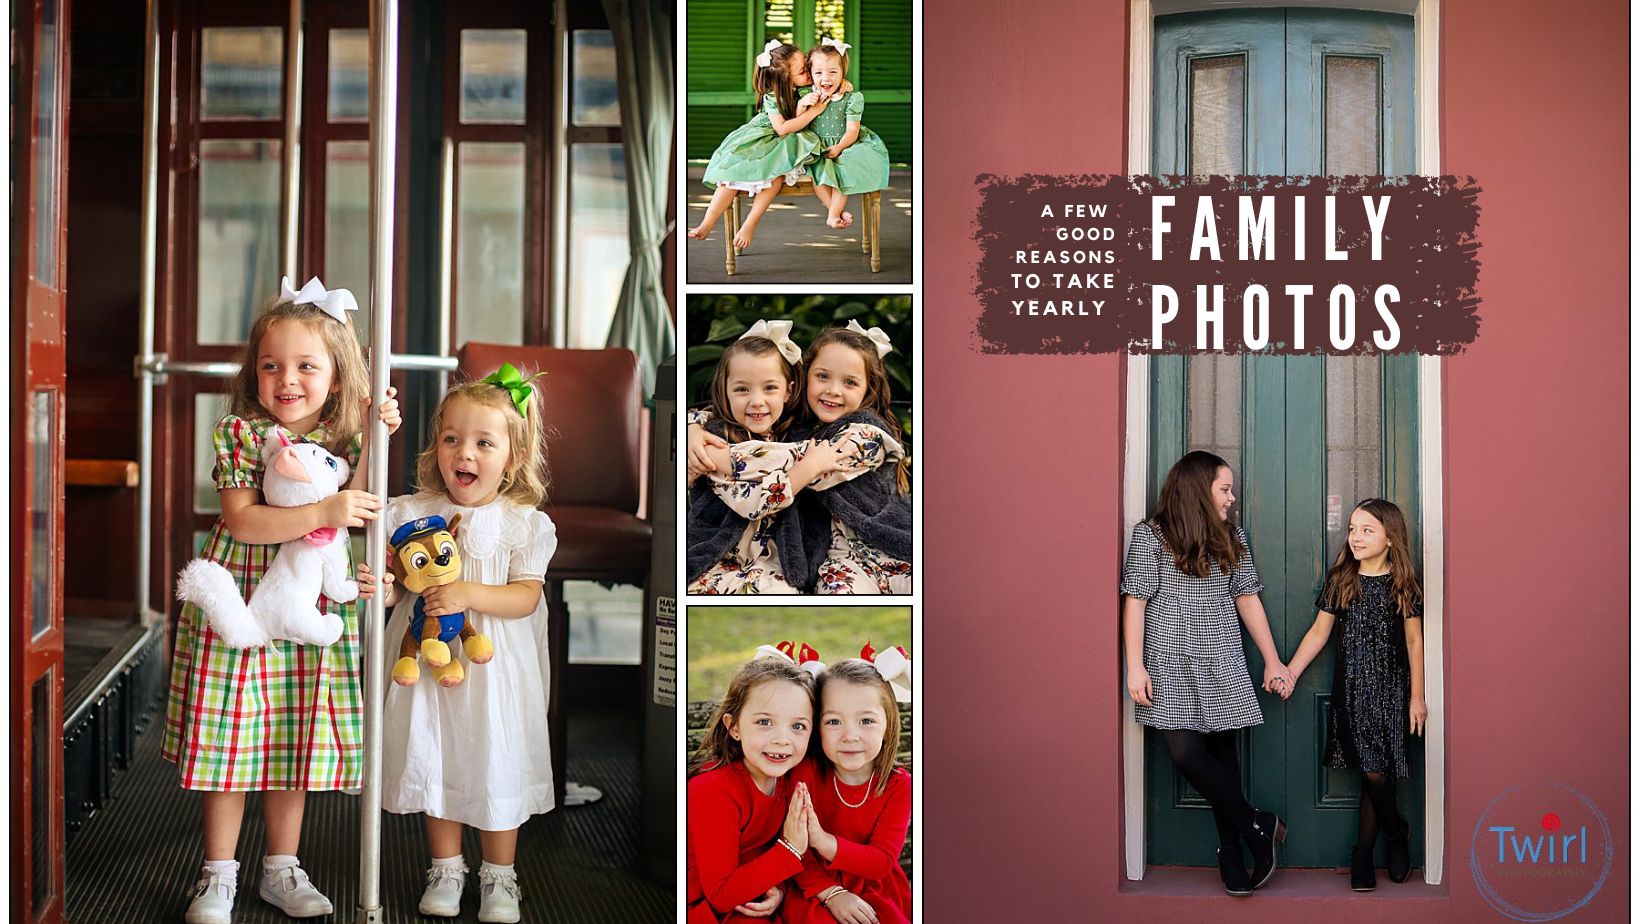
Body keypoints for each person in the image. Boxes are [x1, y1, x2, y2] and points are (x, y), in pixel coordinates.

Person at [164, 276, 400, 924]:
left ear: (335, 374)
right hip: (241, 595)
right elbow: (242, 521)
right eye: (271, 366)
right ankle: (217, 874)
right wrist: (322, 508)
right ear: (254, 373)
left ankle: (280, 867)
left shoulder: (346, 440)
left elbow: (366, 503)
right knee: (230, 738)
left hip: (308, 607)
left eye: (304, 365)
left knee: (291, 732)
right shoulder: (241, 433)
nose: (286, 378)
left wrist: (380, 433)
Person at [357, 364, 557, 923]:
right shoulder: (412, 513)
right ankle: (445, 867)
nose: (463, 453)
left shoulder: (523, 523)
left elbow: (525, 599)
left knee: (493, 758)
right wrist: (386, 589)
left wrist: (468, 592)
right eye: (451, 438)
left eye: (482, 442)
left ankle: (500, 876)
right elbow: (400, 587)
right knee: (438, 753)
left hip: (494, 669)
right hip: (426, 666)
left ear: (512, 456)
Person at [1120, 450, 1293, 895]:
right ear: (1199, 489)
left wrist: (1272, 659)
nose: (1232, 498)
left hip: (1221, 658)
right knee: (1185, 754)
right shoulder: (1151, 537)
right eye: (1224, 488)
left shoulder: (1232, 536)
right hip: (1169, 661)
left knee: (1222, 760)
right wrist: (1135, 665)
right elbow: (1135, 601)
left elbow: (1247, 596)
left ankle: (1230, 851)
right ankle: (1259, 826)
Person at [690, 322, 912, 595]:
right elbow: (795, 455)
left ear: (869, 390)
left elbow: (816, 463)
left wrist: (720, 458)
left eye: (850, 382)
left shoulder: (868, 434)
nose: (833, 390)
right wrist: (692, 429)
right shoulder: (793, 428)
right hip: (833, 561)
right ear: (802, 382)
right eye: (822, 376)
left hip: (892, 549)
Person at [1279, 498, 1426, 891]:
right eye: (1352, 529)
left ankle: (1370, 847)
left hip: (1393, 692)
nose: (1355, 537)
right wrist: (1291, 671)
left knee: (1378, 771)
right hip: (1353, 692)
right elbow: (1318, 633)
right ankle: (1392, 837)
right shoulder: (1342, 578)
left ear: (1390, 538)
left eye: (1367, 530)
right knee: (1372, 770)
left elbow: (1415, 642)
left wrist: (1417, 696)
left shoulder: (1403, 584)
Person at [687, 647, 824, 923]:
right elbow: (721, 894)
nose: (782, 739)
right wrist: (790, 850)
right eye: (765, 722)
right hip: (709, 909)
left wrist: (780, 890)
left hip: (756, 895)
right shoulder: (712, 790)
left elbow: (769, 857)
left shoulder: (791, 781)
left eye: (797, 726)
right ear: (734, 726)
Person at [786, 649, 913, 924]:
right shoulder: (805, 772)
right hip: (813, 884)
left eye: (866, 721)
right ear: (817, 725)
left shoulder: (898, 785)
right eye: (833, 721)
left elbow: (881, 861)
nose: (850, 736)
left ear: (888, 724)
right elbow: (794, 850)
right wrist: (831, 893)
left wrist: (821, 841)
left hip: (873, 886)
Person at [689, 41, 832, 249]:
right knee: (729, 177)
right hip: (765, 137)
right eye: (803, 70)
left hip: (785, 143)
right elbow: (782, 129)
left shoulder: (807, 89)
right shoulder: (772, 96)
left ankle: (749, 224)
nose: (810, 73)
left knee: (775, 174)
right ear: (784, 78)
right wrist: (813, 112)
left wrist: (845, 85)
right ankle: (706, 223)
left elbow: (832, 84)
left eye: (808, 66)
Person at [803, 38, 890, 229]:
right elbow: (797, 121)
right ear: (810, 73)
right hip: (817, 146)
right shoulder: (805, 95)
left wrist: (841, 147)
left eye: (833, 72)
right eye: (818, 72)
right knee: (818, 175)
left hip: (846, 144)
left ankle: (833, 215)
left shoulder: (852, 98)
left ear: (843, 73)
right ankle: (835, 213)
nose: (826, 79)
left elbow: (852, 130)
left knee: (846, 168)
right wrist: (802, 104)